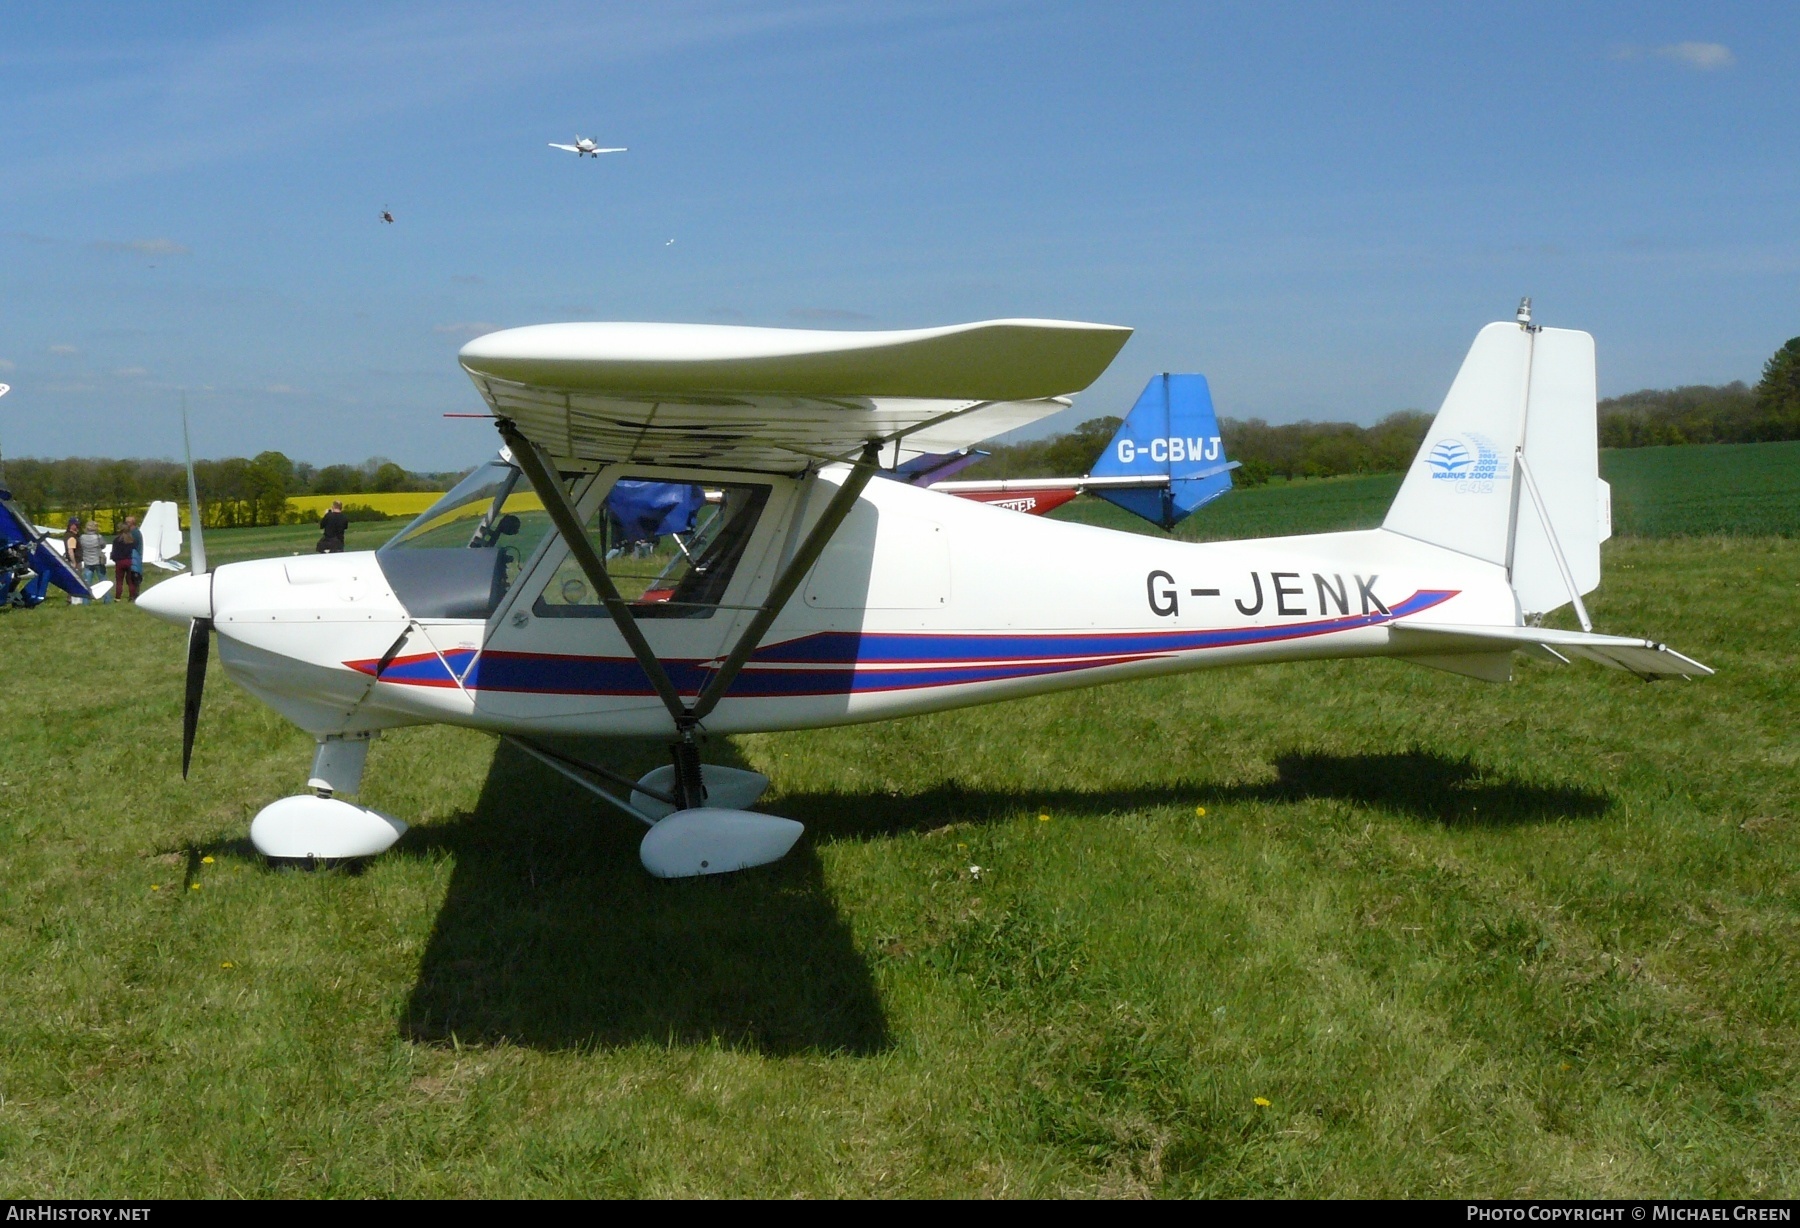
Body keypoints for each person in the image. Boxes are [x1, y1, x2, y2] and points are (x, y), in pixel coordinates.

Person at [112, 515, 144, 603]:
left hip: (132, 559)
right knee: (131, 579)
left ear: (132, 523)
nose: (126, 524)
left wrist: (115, 559)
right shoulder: (132, 535)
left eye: (127, 522)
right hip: (130, 560)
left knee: (129, 579)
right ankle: (132, 596)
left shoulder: (133, 534)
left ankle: (123, 597)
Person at [78, 519, 110, 603]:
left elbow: (81, 546)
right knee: (103, 581)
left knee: (87, 582)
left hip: (87, 560)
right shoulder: (98, 537)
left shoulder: (82, 537)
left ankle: (85, 601)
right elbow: (103, 545)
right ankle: (107, 599)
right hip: (98, 560)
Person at [64, 518, 84, 604]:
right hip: (74, 560)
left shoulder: (71, 535)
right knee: (76, 580)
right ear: (71, 525)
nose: (77, 526)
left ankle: (71, 598)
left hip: (74, 560)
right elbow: (70, 550)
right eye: (76, 524)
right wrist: (74, 562)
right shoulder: (71, 537)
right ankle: (72, 599)